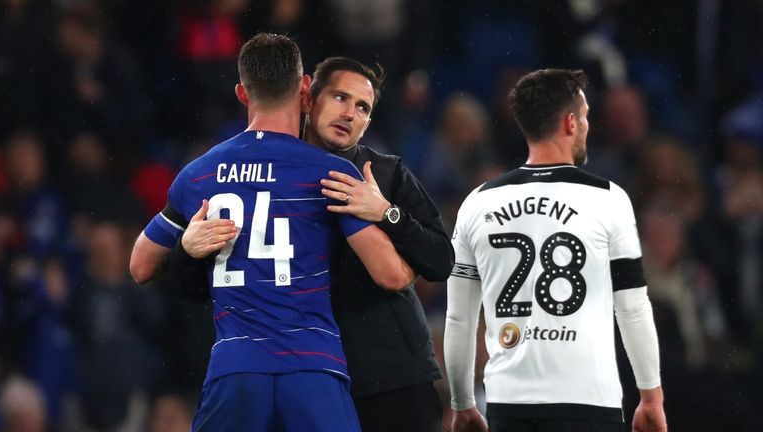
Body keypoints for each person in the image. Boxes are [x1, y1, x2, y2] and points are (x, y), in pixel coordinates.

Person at [128, 33, 416, 431]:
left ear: (242, 94)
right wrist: (390, 214)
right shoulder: (331, 173)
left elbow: (140, 266)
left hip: (236, 368)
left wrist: (187, 246)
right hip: (312, 367)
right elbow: (391, 275)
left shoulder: (200, 174)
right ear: (303, 89)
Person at [444, 69, 668, 432]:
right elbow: (632, 307)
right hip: (589, 401)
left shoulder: (477, 203)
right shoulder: (608, 198)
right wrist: (651, 398)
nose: (587, 126)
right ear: (570, 122)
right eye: (586, 117)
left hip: (509, 403)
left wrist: (462, 405)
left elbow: (459, 319)